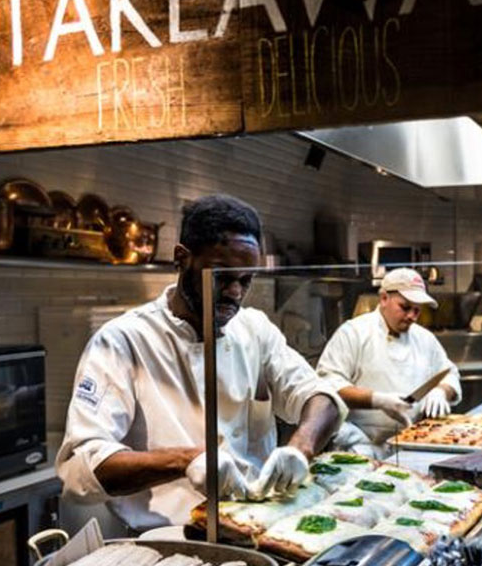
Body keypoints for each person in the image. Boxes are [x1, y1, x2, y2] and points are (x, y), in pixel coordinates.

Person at [56, 195, 347, 531]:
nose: (236, 292)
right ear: (182, 258)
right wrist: (185, 460)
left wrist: (300, 448)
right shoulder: (122, 341)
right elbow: (80, 467)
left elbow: (320, 397)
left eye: (246, 280)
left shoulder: (255, 330)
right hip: (168, 539)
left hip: (258, 526)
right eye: (222, 278)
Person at [316, 268, 461, 457]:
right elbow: (328, 385)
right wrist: (378, 400)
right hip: (360, 447)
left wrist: (442, 391)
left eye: (417, 310)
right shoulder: (353, 333)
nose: (412, 316)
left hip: (412, 444)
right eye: (405, 307)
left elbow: (449, 373)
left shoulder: (424, 339)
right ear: (384, 298)